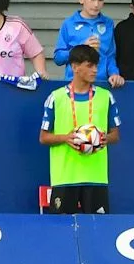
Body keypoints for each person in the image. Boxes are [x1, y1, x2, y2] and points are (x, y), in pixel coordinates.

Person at [38, 43, 120, 213]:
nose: (95, 70)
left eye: (96, 65)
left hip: (96, 177)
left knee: (98, 231)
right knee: (61, 231)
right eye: (89, 66)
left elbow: (116, 135)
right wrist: (66, 138)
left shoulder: (106, 97)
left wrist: (104, 138)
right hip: (65, 177)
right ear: (75, 67)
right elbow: (44, 137)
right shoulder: (56, 97)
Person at [51, 0, 125, 87]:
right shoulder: (69, 24)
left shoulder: (108, 23)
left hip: (102, 84)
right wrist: (80, 48)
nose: (96, 5)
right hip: (74, 84)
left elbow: (110, 56)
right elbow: (58, 58)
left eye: (100, 0)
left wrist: (114, 74)